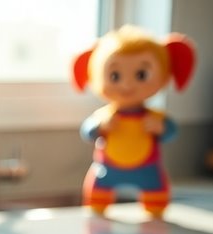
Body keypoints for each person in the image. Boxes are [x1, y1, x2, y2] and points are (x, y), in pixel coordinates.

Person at [72, 26, 196, 218]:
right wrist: (100, 126)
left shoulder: (154, 117)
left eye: (141, 75)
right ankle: (99, 204)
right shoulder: (104, 115)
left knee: (155, 204)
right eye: (115, 76)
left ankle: (154, 206)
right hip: (107, 169)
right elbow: (87, 131)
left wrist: (161, 128)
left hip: (147, 169)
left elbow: (171, 132)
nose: (127, 85)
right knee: (96, 205)